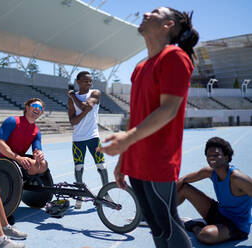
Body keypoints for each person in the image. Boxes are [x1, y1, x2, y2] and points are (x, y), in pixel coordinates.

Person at [98, 7, 199, 248]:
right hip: (136, 161)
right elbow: (136, 117)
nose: (145, 13)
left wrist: (127, 139)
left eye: (154, 12)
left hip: (159, 160)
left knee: (168, 223)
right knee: (154, 225)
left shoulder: (175, 57)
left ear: (169, 25)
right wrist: (124, 159)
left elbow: (169, 109)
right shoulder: (140, 68)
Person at [177, 137, 252, 244]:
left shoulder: (237, 178)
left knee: (206, 236)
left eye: (216, 155)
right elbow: (183, 180)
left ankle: (194, 225)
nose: (212, 158)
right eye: (209, 156)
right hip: (219, 212)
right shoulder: (210, 172)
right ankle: (160, 215)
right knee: (184, 188)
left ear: (226, 157)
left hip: (236, 225)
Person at [67, 71, 108, 209]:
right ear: (78, 81)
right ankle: (80, 194)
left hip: (93, 137)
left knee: (101, 165)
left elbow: (86, 106)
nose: (89, 84)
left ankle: (106, 194)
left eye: (90, 81)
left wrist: (73, 96)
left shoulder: (95, 93)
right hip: (78, 139)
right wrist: (85, 112)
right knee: (78, 168)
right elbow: (73, 121)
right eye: (86, 81)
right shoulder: (71, 100)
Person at [0, 98, 48, 176]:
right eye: (35, 105)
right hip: (5, 159)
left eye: (40, 108)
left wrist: (38, 154)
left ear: (41, 113)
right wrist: (18, 158)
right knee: (33, 165)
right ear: (27, 107)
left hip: (21, 159)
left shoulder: (36, 131)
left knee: (43, 164)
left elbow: (37, 149)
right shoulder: (12, 121)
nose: (37, 108)